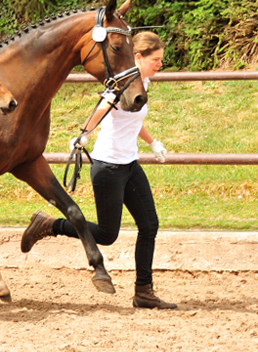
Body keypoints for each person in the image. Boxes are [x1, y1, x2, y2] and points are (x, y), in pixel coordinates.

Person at [21, 31, 177, 309]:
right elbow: (103, 107)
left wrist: (153, 143)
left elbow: (133, 116)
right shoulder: (119, 83)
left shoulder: (143, 83)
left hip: (129, 165)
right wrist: (84, 134)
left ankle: (144, 292)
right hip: (108, 168)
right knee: (107, 235)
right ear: (137, 58)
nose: (160, 65)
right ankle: (49, 225)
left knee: (149, 225)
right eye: (156, 60)